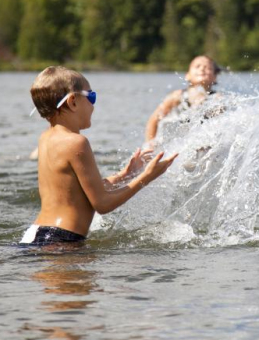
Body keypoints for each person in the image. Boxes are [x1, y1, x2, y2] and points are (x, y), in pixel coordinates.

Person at [21, 66, 177, 246]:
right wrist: (147, 177)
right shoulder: (76, 142)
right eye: (91, 97)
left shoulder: (46, 138)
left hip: (37, 234)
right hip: (60, 241)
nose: (93, 105)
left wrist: (124, 175)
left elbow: (79, 193)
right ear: (72, 102)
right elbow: (102, 204)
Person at [145, 55, 221, 142]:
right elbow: (154, 120)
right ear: (187, 75)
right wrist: (150, 144)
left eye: (208, 68)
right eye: (197, 66)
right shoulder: (177, 96)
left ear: (215, 77)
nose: (202, 68)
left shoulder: (216, 99)